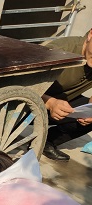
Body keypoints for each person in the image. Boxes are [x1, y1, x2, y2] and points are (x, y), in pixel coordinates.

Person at [40, 28, 92, 161]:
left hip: (60, 104)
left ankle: (46, 141)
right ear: (90, 35)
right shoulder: (60, 51)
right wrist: (50, 102)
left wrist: (90, 112)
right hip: (25, 102)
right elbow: (18, 85)